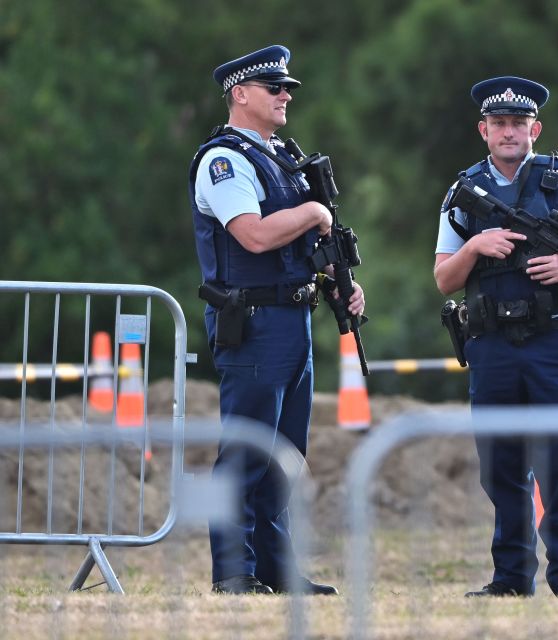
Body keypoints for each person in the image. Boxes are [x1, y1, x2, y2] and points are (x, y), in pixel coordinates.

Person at [189, 44, 364, 595]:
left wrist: (341, 282)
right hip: (255, 322)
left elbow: (304, 245)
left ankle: (275, 568)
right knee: (245, 451)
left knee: (285, 455)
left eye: (287, 88)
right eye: (274, 88)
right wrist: (314, 213)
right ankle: (233, 571)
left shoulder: (281, 156)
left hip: (292, 317)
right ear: (240, 94)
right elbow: (255, 234)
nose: (286, 95)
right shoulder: (226, 161)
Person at [434, 76, 558, 599]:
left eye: (519, 124)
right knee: (501, 468)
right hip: (492, 345)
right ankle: (510, 579)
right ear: (483, 130)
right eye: (499, 124)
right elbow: (444, 278)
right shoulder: (463, 192)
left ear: (536, 129)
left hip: (555, 341)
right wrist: (476, 245)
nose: (509, 133)